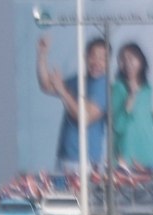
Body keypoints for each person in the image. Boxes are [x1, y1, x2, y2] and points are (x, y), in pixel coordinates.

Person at [36, 35, 109, 174]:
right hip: (65, 157)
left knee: (82, 196)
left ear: (108, 62)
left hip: (85, 162)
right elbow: (46, 85)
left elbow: (85, 118)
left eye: (102, 58)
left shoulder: (104, 86)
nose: (97, 62)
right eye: (93, 56)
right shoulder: (77, 80)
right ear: (85, 57)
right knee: (61, 195)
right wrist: (42, 55)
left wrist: (63, 91)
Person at [111, 42, 153, 172]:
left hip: (150, 154)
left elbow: (145, 120)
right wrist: (131, 97)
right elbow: (118, 125)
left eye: (131, 58)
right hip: (127, 157)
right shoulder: (117, 88)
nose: (127, 63)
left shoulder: (147, 88)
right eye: (123, 59)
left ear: (141, 61)